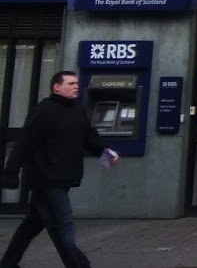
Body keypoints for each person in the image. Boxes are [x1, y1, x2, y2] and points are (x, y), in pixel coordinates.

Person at [1, 70, 120, 268]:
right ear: (57, 87)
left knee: (31, 225)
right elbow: (24, 144)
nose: (76, 87)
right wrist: (10, 173)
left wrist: (107, 155)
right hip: (46, 179)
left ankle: (8, 263)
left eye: (77, 83)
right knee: (64, 227)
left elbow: (89, 138)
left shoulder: (78, 110)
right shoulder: (43, 111)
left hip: (64, 178)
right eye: (71, 83)